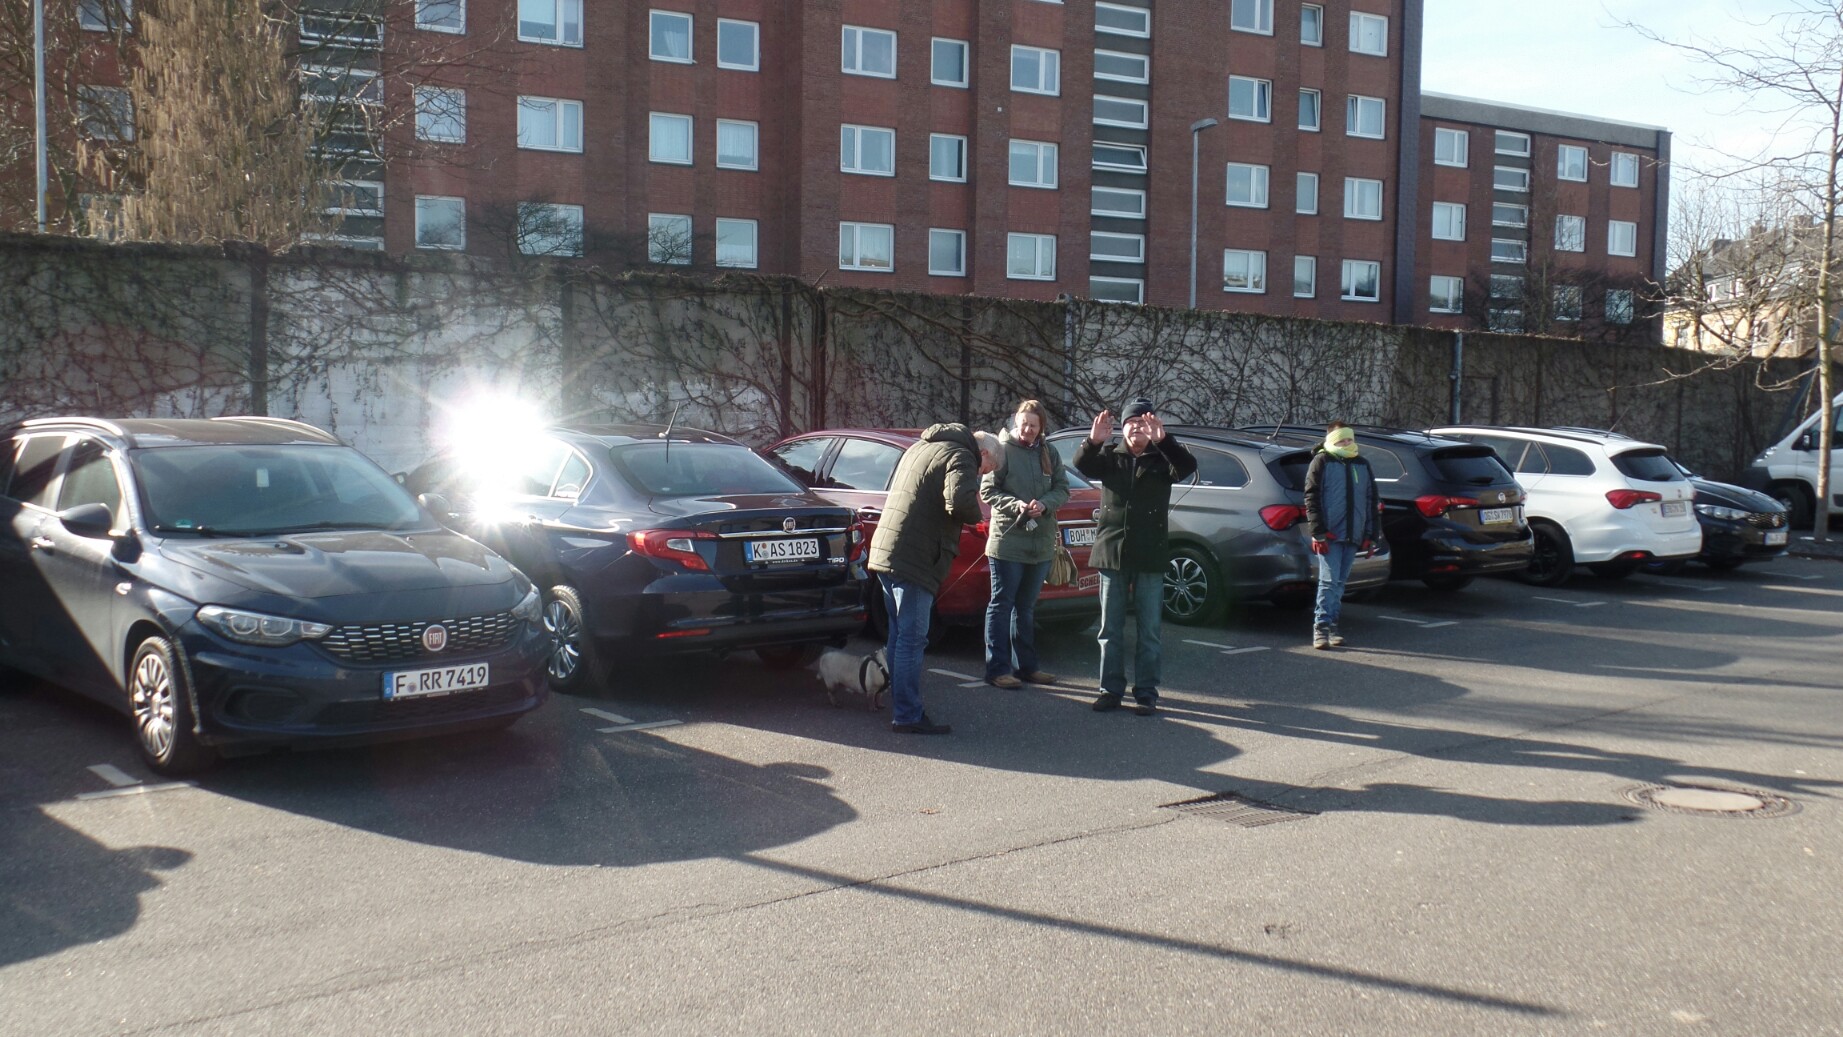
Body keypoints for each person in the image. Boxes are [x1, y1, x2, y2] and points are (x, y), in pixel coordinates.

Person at [868, 423, 1001, 734]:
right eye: (986, 470)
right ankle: (907, 715)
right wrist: (977, 516)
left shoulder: (921, 446)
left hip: (887, 551)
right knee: (912, 639)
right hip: (916, 558)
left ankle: (901, 706)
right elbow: (959, 500)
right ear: (983, 454)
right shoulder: (962, 455)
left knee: (898, 635)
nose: (982, 475)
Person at [1074, 399, 1196, 715]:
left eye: (1144, 422)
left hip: (1149, 554)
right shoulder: (1110, 457)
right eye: (1132, 422)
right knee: (1110, 630)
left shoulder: (1163, 458)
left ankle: (1146, 692)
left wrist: (1164, 441)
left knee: (1149, 630)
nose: (1137, 427)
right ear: (1123, 428)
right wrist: (1093, 441)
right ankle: (1110, 690)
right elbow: (1082, 464)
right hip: (1112, 553)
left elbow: (1187, 467)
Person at [980, 399, 1071, 689]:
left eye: (1033, 425)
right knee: (1001, 604)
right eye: (1023, 424)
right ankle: (997, 669)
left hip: (1040, 543)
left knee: (1026, 608)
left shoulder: (1049, 452)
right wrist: (1016, 505)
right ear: (1015, 422)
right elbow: (988, 490)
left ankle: (1027, 668)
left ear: (1041, 427)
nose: (1027, 429)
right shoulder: (1002, 450)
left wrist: (1044, 504)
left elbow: (1062, 488)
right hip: (1008, 541)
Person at [1303, 422, 1381, 650]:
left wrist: (1371, 534)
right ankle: (1321, 628)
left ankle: (1333, 626)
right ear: (1332, 441)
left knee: (1339, 583)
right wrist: (1318, 532)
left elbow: (1371, 500)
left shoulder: (1362, 464)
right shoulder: (1322, 461)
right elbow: (1311, 497)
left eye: (1349, 439)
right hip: (1330, 534)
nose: (1347, 443)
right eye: (1341, 440)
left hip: (1353, 534)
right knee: (1328, 582)